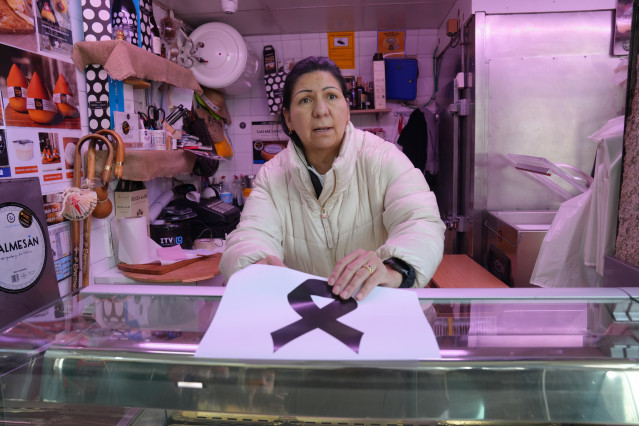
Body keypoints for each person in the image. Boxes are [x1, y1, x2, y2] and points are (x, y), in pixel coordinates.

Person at [220, 56, 445, 300]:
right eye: (305, 100)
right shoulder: (272, 176)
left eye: (331, 96)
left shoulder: (383, 158)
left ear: (347, 109)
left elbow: (421, 221)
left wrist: (395, 267)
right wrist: (255, 265)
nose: (320, 110)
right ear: (288, 118)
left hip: (374, 308)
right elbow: (251, 235)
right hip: (305, 317)